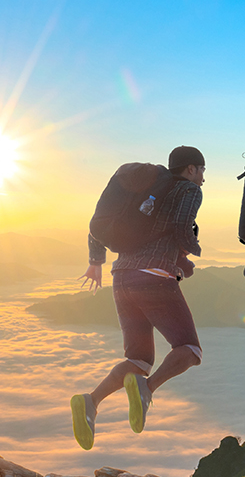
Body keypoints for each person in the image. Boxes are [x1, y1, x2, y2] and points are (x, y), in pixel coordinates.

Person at [70, 146, 206, 450]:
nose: (202, 180)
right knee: (190, 349)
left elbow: (101, 229)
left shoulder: (142, 195)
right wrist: (192, 252)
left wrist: (96, 261)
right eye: (202, 171)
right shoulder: (187, 190)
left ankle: (90, 402)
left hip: (121, 279)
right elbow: (182, 228)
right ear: (190, 169)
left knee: (138, 360)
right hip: (154, 279)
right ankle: (147, 389)